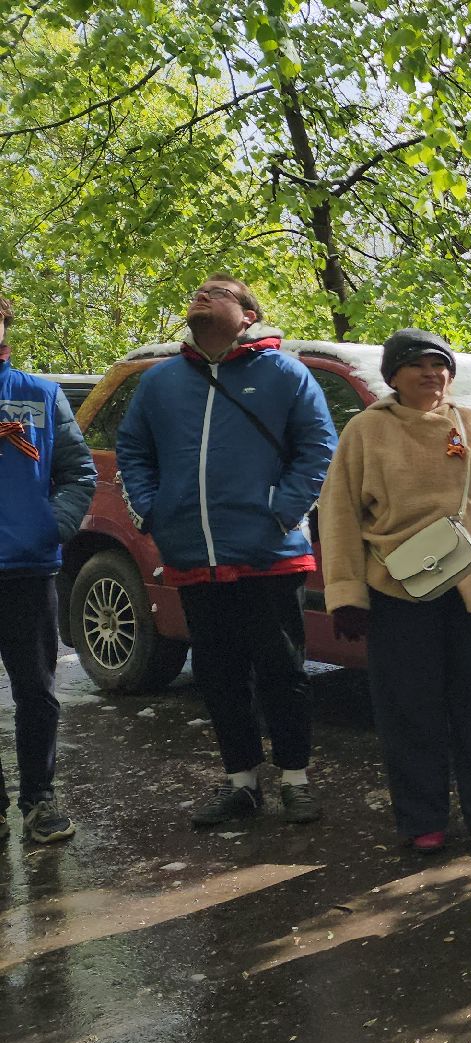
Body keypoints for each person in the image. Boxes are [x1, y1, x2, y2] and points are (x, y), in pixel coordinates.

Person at [317, 330, 471, 854]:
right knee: (410, 711)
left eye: (440, 364)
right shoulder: (365, 432)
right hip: (399, 590)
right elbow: (339, 515)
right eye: (417, 364)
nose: (431, 372)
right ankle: (422, 818)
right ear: (392, 375)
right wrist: (347, 593)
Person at [116, 275, 336, 828]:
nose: (201, 295)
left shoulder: (286, 373)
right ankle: (241, 784)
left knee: (282, 671)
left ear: (248, 315)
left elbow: (318, 448)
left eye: (218, 292)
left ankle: (295, 780)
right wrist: (152, 510)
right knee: (218, 674)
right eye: (198, 290)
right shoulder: (160, 382)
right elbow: (133, 450)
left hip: (270, 554)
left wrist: (281, 511)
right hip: (193, 556)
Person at [0, 293, 97, 844]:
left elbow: (78, 473)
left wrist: (50, 527)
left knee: (35, 691)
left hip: (27, 569)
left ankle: (39, 800)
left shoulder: (40, 395)